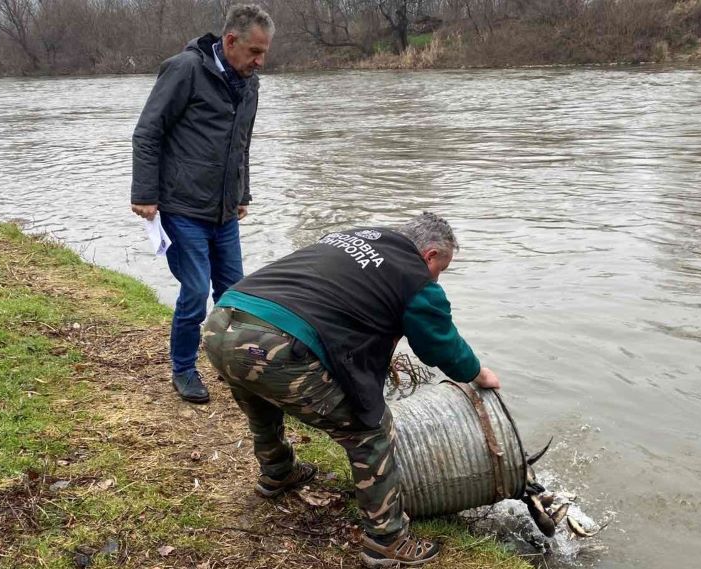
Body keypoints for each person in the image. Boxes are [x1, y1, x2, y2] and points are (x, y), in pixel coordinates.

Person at [202, 213, 501, 567]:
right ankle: (386, 541)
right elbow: (440, 345)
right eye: (442, 269)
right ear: (430, 255)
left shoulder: (356, 236)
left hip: (222, 323)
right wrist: (477, 373)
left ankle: (277, 473)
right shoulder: (415, 278)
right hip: (272, 344)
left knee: (261, 398)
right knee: (370, 432)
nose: (437, 278)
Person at [130, 5, 273, 404]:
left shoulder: (250, 83)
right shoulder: (184, 69)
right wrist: (144, 194)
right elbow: (147, 132)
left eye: (264, 53)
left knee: (234, 294)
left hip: (223, 211)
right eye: (254, 52)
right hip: (181, 206)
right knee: (194, 289)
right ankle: (183, 369)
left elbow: (241, 143)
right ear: (230, 41)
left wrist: (242, 194)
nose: (260, 61)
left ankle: (231, 366)